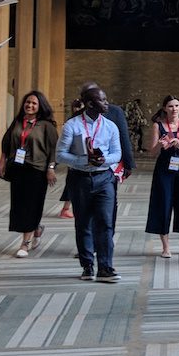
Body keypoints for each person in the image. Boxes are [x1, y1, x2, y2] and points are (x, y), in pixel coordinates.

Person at [57, 84, 124, 282]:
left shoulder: (110, 126)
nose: (107, 103)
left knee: (105, 222)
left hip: (105, 179)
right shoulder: (72, 125)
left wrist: (103, 160)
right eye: (102, 100)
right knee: (83, 222)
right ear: (90, 104)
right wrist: (84, 161)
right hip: (80, 179)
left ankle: (105, 268)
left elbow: (117, 154)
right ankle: (87, 266)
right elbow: (60, 155)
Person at [0, 90, 59, 258]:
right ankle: (36, 228)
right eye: (27, 102)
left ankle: (25, 243)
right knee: (20, 206)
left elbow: (54, 149)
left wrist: (51, 168)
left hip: (37, 171)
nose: (30, 105)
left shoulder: (46, 125)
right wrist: (2, 161)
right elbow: (6, 142)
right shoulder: (18, 122)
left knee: (32, 206)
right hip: (18, 169)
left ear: (40, 106)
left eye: (34, 103)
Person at [145, 95, 179, 258]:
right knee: (163, 204)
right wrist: (160, 145)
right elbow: (152, 152)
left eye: (176, 105)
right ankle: (165, 246)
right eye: (170, 106)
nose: (174, 109)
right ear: (164, 108)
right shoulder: (158, 125)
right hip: (164, 170)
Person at [57, 97, 85, 219]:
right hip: (75, 159)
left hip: (74, 159)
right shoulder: (74, 122)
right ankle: (66, 209)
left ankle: (67, 208)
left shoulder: (72, 121)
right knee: (73, 184)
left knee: (73, 184)